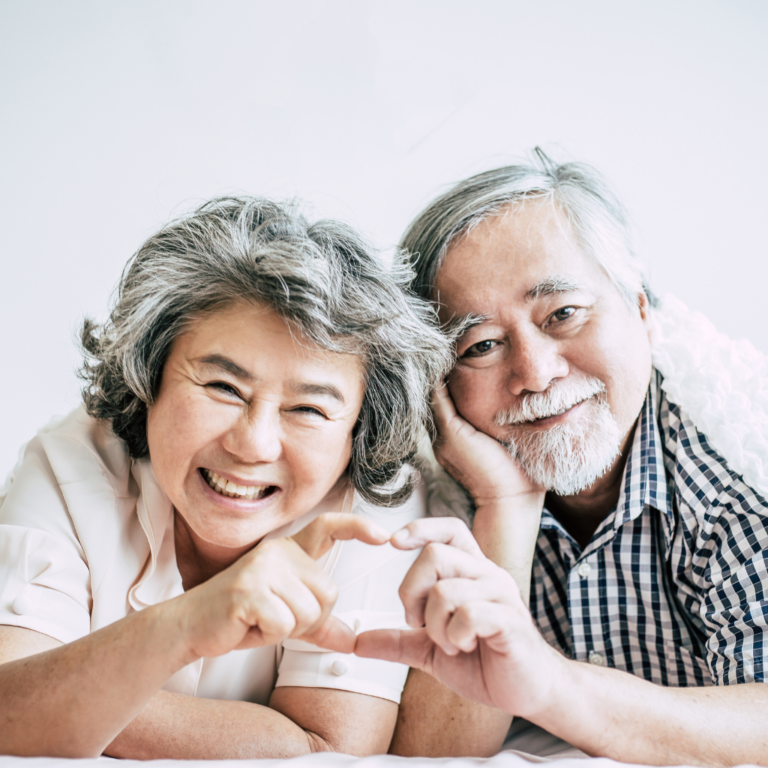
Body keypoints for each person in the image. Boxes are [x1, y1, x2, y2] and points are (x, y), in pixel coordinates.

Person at [0, 197, 453, 759]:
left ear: (358, 430)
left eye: (309, 410)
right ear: (151, 375)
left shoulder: (377, 510)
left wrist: (72, 696)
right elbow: (6, 710)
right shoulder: (70, 463)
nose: (253, 444)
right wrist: (184, 625)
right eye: (222, 387)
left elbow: (330, 749)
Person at [356, 150, 768, 764]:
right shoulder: (437, 492)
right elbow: (434, 755)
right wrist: (505, 508)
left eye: (563, 314)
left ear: (642, 310)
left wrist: (552, 685)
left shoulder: (736, 474)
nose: (536, 372)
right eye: (482, 345)